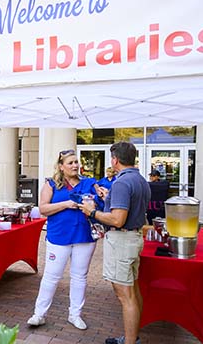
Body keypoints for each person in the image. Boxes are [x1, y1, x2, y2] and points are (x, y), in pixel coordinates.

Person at [80, 142, 150, 344]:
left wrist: (91, 212)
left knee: (124, 296)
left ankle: (129, 341)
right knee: (133, 292)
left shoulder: (121, 183)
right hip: (134, 238)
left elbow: (117, 219)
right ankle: (131, 337)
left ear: (115, 160)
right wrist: (109, 197)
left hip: (121, 241)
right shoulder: (140, 180)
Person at [27, 149, 99, 330]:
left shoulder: (89, 183)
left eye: (76, 162)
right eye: (70, 163)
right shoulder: (51, 184)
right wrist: (67, 204)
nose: (75, 165)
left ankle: (75, 315)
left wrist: (93, 203)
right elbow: (43, 209)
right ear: (61, 166)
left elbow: (98, 204)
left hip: (84, 236)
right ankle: (39, 314)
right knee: (51, 276)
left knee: (79, 277)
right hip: (58, 237)